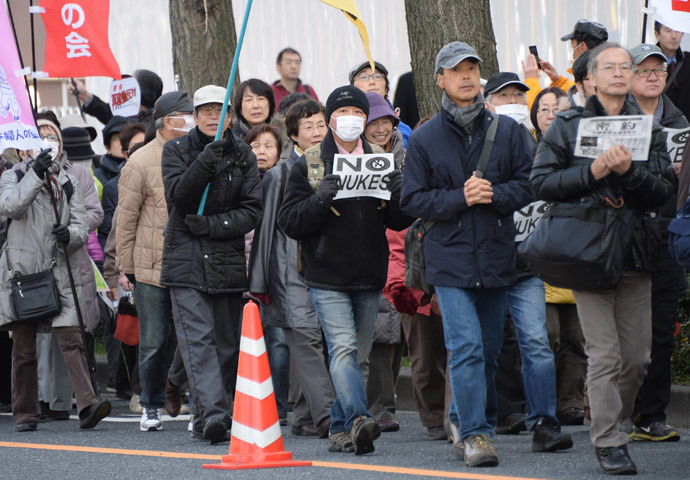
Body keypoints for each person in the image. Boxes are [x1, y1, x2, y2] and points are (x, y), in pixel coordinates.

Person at [530, 42, 675, 475]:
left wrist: (629, 171)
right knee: (606, 355)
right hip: (587, 252)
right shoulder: (569, 123)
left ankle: (613, 418)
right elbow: (541, 183)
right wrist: (590, 172)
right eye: (608, 66)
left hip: (636, 251)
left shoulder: (646, 127)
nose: (618, 73)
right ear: (591, 77)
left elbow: (665, 190)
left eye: (624, 67)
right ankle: (609, 439)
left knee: (637, 359)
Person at [400, 41, 534, 467]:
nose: (465, 76)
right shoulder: (423, 138)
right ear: (439, 78)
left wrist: (493, 194)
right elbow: (413, 200)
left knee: (491, 350)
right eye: (455, 70)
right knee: (467, 347)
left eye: (472, 69)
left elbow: (532, 184)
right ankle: (476, 433)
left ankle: (464, 419)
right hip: (449, 258)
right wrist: (460, 197)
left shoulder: (510, 132)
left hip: (497, 254)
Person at [277, 85, 411, 455]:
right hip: (326, 274)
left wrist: (400, 192)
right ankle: (357, 418)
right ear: (330, 119)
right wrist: (320, 199)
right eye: (342, 113)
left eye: (357, 112)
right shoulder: (310, 163)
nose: (350, 119)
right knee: (343, 348)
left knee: (360, 358)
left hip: (369, 271)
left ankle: (340, 427)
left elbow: (398, 219)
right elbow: (290, 222)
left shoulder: (381, 158)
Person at [161, 85, 262, 444]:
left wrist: (214, 225)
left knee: (225, 343)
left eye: (218, 110)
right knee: (198, 340)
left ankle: (206, 417)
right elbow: (178, 196)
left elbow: (252, 210)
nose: (210, 116)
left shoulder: (244, 155)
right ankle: (218, 414)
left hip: (225, 257)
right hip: (184, 258)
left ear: (229, 116)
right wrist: (205, 160)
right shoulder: (175, 150)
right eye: (203, 110)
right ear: (194, 114)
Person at [483, 72, 574, 450]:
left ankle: (544, 423)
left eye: (519, 97)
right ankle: (475, 423)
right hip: (484, 264)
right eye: (504, 98)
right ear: (487, 103)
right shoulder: (477, 143)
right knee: (483, 348)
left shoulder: (544, 148)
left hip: (527, 269)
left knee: (537, 344)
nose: (514, 104)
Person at [0, 138, 111, 433]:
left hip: (61, 267)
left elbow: (81, 223)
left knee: (71, 338)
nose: (45, 148)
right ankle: (25, 413)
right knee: (24, 346)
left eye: (51, 141)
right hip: (22, 271)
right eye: (38, 143)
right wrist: (35, 174)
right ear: (24, 150)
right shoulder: (12, 176)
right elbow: (11, 206)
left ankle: (88, 404)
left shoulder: (68, 181)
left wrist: (70, 235)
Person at [249, 99, 334, 438]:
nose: (316, 132)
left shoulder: (336, 166)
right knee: (307, 341)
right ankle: (330, 416)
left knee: (316, 342)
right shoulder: (279, 175)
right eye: (308, 127)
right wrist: (260, 283)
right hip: (288, 273)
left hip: (328, 271)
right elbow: (265, 232)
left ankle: (302, 416)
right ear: (293, 135)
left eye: (320, 125)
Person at [117, 91, 195, 432]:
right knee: (153, 341)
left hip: (192, 260)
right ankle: (150, 404)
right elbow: (126, 218)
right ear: (166, 121)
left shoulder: (198, 153)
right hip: (151, 265)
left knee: (195, 337)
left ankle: (196, 400)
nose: (191, 120)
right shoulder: (140, 161)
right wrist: (126, 266)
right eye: (185, 115)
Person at [628, 43, 689, 443]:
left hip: (667, 236)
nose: (653, 76)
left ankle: (651, 415)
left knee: (662, 330)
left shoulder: (681, 122)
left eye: (659, 70)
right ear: (628, 77)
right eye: (644, 70)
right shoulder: (614, 118)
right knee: (626, 335)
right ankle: (612, 406)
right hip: (625, 236)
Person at [362, 92, 407, 433]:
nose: (380, 129)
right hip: (374, 251)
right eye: (372, 123)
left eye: (385, 122)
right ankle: (381, 407)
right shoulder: (356, 158)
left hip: (407, 250)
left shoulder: (406, 153)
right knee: (378, 333)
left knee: (399, 335)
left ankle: (386, 401)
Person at [523, 19, 608, 109]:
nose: (572, 52)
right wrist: (558, 81)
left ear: (582, 47)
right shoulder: (605, 73)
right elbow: (572, 94)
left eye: (573, 46)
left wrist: (531, 80)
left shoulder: (589, 79)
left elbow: (543, 111)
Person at [349, 61, 412, 146]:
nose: (372, 81)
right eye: (363, 77)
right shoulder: (345, 125)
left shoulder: (403, 130)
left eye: (377, 76)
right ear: (352, 89)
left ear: (386, 89)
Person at [73, 69, 164, 127]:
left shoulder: (153, 127)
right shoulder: (131, 115)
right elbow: (108, 113)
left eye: (130, 87)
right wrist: (85, 95)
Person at [654, 21, 690, 121]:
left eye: (678, 31)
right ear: (657, 34)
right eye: (668, 31)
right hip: (660, 127)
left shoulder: (688, 59)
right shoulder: (649, 63)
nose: (674, 36)